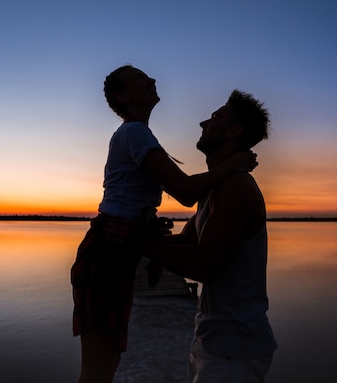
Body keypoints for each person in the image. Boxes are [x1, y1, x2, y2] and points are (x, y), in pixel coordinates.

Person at [71, 65, 257, 383]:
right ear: (123, 96)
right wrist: (231, 164)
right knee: (97, 368)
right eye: (141, 79)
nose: (152, 80)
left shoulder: (138, 133)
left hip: (115, 250)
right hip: (107, 251)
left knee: (108, 359)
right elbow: (185, 192)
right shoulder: (134, 133)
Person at [144, 90, 277, 383]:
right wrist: (143, 236)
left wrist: (142, 245)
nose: (204, 122)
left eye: (215, 117)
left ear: (234, 131)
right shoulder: (216, 187)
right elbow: (186, 243)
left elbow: (207, 265)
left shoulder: (236, 188)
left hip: (235, 349)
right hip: (211, 340)